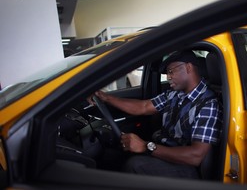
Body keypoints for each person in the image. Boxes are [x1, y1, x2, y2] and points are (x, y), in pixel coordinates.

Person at [90, 50, 222, 179]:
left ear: (188, 67)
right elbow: (143, 107)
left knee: (135, 165)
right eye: (167, 73)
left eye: (171, 71)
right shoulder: (174, 94)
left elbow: (195, 156)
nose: (168, 77)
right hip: (166, 153)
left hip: (186, 167)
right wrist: (106, 98)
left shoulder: (208, 103)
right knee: (112, 156)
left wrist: (145, 146)